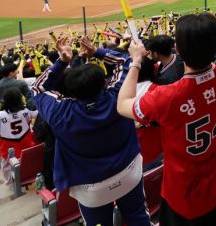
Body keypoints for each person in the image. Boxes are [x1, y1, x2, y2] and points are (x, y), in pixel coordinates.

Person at [117, 14, 216, 225]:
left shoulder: (166, 97)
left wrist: (136, 61)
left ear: (179, 50)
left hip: (184, 197)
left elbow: (123, 104)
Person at [32, 37, 150, 226]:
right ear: (104, 83)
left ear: (68, 92)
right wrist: (97, 51)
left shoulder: (59, 113)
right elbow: (127, 61)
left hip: (90, 188)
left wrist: (62, 62)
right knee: (138, 217)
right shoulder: (118, 96)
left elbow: (38, 88)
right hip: (129, 171)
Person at [0, 87, 38, 182]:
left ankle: (13, 185)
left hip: (8, 151)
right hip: (27, 147)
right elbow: (38, 113)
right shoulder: (26, 111)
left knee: (9, 175)